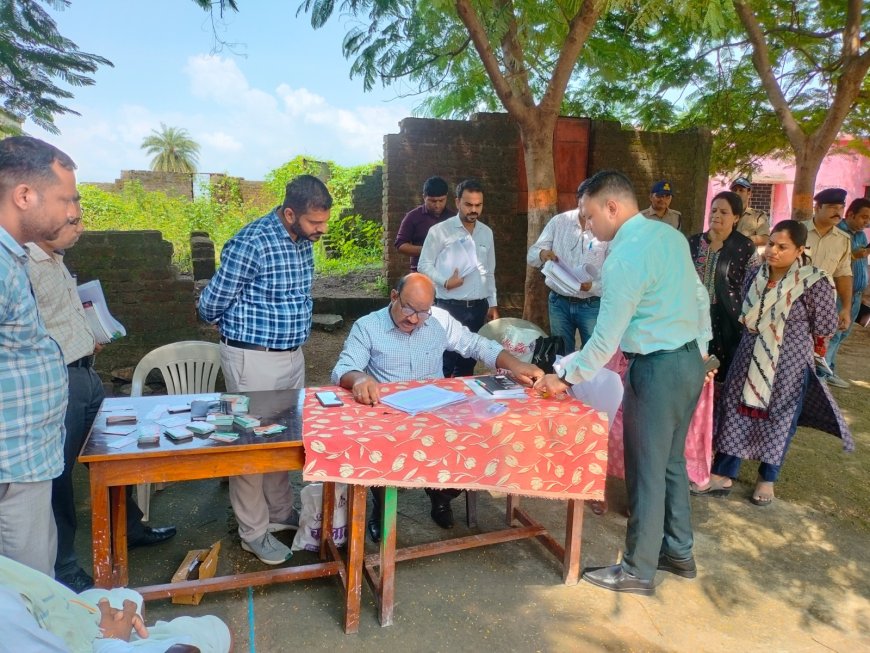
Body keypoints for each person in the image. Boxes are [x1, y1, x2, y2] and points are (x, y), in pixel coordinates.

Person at [534, 170, 708, 596]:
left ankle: (636, 570)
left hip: (657, 368)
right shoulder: (669, 237)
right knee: (669, 464)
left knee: (645, 470)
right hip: (689, 362)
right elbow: (700, 297)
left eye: (589, 217)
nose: (588, 227)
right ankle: (679, 552)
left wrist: (565, 377)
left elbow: (605, 338)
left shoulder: (624, 258)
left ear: (612, 207)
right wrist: (702, 349)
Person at [331, 273, 543, 540]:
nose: (414, 319)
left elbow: (477, 345)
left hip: (437, 410)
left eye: (423, 312)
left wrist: (517, 365)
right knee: (374, 446)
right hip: (389, 416)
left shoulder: (438, 321)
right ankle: (380, 505)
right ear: (394, 297)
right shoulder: (368, 326)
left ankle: (441, 495)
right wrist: (360, 378)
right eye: (408, 308)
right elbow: (343, 369)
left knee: (478, 440)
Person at [26, 218, 176, 593]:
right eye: (71, 218)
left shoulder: (55, 258)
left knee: (114, 456)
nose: (78, 226)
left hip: (88, 373)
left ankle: (128, 529)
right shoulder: (22, 264)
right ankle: (65, 565)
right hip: (59, 379)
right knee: (59, 476)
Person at [198, 174, 332, 566]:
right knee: (249, 443)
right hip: (252, 358)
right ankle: (253, 531)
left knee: (284, 438)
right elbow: (212, 302)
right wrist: (236, 329)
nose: (320, 230)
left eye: (323, 222)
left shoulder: (303, 240)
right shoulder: (252, 241)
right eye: (314, 223)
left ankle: (279, 513)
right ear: (290, 213)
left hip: (292, 355)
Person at [693, 221, 853, 506]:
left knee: (780, 419)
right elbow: (746, 306)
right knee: (735, 410)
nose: (773, 252)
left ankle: (767, 479)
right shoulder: (755, 272)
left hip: (788, 363)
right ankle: (723, 473)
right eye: (771, 245)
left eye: (783, 247)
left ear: (800, 250)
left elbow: (826, 326)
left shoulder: (814, 281)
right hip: (748, 354)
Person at [0, 136, 72, 576]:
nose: (70, 212)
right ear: (25, 195)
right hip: (10, 464)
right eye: (65, 198)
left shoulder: (14, 259)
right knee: (26, 598)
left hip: (23, 461)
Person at [0, 553, 231, 652]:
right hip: (91, 642)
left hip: (54, 612)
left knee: (123, 597)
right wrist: (110, 640)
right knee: (216, 630)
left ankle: (133, 630)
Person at [418, 179, 499, 377]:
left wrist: (493, 304)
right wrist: (445, 281)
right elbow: (423, 265)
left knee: (467, 365)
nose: (474, 210)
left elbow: (489, 271)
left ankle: (463, 406)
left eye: (478, 205)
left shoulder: (486, 233)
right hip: (448, 307)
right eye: (468, 204)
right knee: (443, 363)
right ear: (457, 202)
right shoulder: (439, 231)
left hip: (478, 308)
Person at [526, 181, 609, 352]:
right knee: (561, 355)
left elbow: (613, 275)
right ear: (578, 200)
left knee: (594, 355)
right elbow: (532, 255)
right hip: (559, 302)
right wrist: (542, 254)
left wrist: (592, 286)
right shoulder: (559, 222)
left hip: (591, 303)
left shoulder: (607, 228)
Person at [688, 191, 757, 379]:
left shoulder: (744, 247)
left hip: (729, 317)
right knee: (693, 364)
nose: (716, 215)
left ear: (736, 217)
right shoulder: (693, 243)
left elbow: (754, 284)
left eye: (724, 212)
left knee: (724, 367)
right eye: (714, 210)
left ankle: (716, 405)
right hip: (693, 315)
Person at [802, 188, 853, 388]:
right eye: (832, 207)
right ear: (817, 207)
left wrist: (846, 308)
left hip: (823, 308)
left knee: (818, 353)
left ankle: (812, 396)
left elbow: (843, 274)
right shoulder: (797, 231)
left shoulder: (843, 239)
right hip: (793, 302)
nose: (838, 212)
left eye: (841, 208)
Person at [823, 198, 870, 386]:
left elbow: (862, 263)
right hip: (840, 294)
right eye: (863, 217)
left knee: (842, 334)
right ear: (850, 214)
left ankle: (829, 369)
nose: (866, 222)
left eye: (869, 219)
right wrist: (852, 255)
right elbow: (837, 263)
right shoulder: (838, 232)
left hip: (856, 294)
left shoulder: (861, 236)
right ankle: (823, 373)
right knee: (832, 334)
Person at [394, 176, 452, 272]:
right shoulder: (412, 217)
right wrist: (427, 250)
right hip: (420, 273)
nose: (437, 205)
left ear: (446, 196)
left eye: (441, 200)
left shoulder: (453, 218)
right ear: (424, 197)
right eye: (432, 201)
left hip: (448, 273)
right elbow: (400, 245)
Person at [730, 177, 770, 246]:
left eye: (741, 190)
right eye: (734, 190)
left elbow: (765, 239)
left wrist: (739, 241)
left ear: (749, 193)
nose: (737, 193)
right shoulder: (725, 214)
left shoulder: (758, 216)